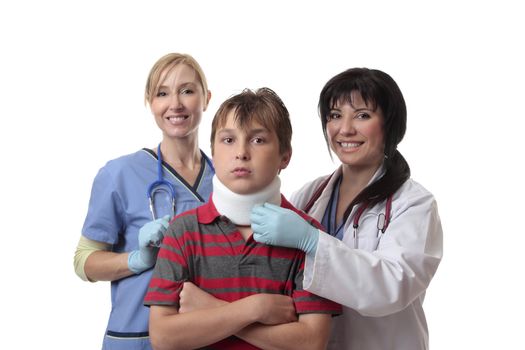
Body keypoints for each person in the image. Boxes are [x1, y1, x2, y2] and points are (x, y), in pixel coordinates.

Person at [251, 68, 443, 349]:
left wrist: (314, 242)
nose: (345, 129)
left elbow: (392, 285)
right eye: (335, 115)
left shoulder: (414, 204)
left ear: (389, 123)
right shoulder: (309, 196)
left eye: (362, 115)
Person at [144, 88, 341, 350]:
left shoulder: (308, 237)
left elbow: (310, 342)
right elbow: (164, 338)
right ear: (212, 151)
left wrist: (210, 309)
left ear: (285, 156)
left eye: (258, 140)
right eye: (228, 140)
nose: (241, 153)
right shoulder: (183, 232)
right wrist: (254, 308)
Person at [73, 53, 214, 350]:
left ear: (206, 98)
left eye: (187, 90)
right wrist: (136, 260)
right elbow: (84, 261)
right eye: (162, 93)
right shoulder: (120, 174)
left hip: (208, 337)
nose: (175, 103)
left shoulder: (226, 180)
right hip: (136, 340)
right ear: (151, 102)